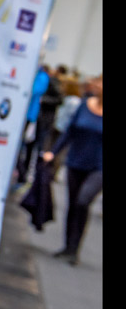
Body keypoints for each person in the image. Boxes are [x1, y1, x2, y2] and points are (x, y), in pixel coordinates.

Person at [42, 73, 102, 266]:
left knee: (83, 200)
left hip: (99, 167)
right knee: (73, 203)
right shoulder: (84, 106)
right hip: (76, 161)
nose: (97, 86)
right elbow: (69, 132)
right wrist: (53, 152)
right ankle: (69, 247)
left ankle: (75, 247)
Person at [16, 63, 50, 184]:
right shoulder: (32, 73)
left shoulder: (42, 77)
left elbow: (33, 91)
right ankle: (21, 172)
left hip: (29, 115)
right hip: (20, 114)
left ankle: (23, 174)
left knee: (25, 145)